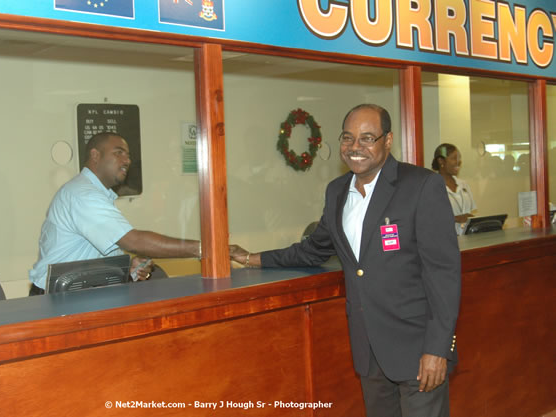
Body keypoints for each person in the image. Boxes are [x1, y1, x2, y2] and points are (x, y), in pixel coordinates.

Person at [231, 104, 461, 417]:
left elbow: (443, 274)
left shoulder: (420, 186)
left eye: (367, 138)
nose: (355, 147)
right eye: (348, 138)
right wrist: (249, 258)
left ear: (388, 140)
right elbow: (313, 249)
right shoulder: (337, 192)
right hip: (369, 349)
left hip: (417, 346)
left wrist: (437, 349)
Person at [29, 132, 211, 295]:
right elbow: (134, 241)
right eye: (119, 153)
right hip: (56, 300)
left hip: (81, 296)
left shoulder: (98, 195)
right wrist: (207, 249)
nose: (127, 160)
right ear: (95, 155)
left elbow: (97, 252)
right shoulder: (82, 195)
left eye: (128, 155)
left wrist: (129, 267)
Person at [432, 143, 477, 235]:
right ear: (441, 161)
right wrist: (456, 218)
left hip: (468, 239)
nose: (458, 162)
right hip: (444, 239)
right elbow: (428, 217)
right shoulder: (432, 186)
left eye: (459, 158)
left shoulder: (464, 185)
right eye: (454, 158)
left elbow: (470, 213)